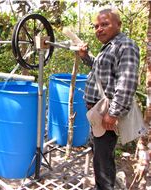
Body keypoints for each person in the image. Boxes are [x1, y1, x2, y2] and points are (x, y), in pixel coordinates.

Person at [78, 8, 140, 190]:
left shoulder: (126, 46)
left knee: (103, 160)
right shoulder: (110, 46)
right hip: (97, 112)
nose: (99, 29)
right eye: (96, 26)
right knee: (100, 154)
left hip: (106, 114)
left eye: (104, 24)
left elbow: (127, 83)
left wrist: (113, 114)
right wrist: (85, 57)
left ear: (118, 25)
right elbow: (101, 69)